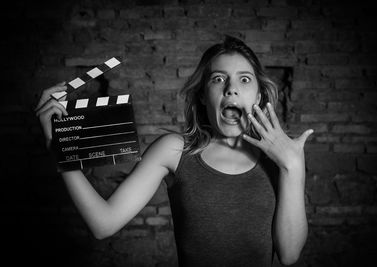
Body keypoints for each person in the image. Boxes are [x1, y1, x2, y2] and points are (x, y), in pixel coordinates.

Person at [35, 35, 313, 267]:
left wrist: (293, 167)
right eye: (218, 79)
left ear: (259, 95)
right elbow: (102, 224)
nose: (231, 89)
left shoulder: (280, 158)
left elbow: (289, 255)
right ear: (203, 95)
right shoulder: (175, 151)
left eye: (244, 80)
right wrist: (56, 145)